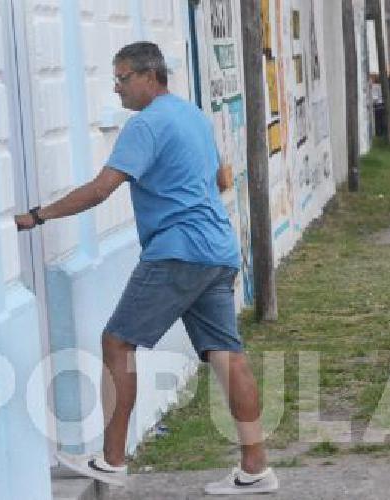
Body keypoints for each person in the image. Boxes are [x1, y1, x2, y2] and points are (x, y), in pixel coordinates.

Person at [14, 41, 279, 496]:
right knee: (228, 356)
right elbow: (221, 178)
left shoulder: (146, 125)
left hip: (177, 253)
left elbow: (100, 191)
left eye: (122, 78)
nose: (117, 89)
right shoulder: (191, 115)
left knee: (117, 342)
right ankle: (256, 467)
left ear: (149, 76)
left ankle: (112, 459)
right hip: (217, 250)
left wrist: (37, 216)